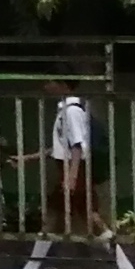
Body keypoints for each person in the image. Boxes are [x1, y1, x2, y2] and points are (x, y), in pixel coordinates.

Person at [46, 82, 96, 230]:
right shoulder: (65, 110)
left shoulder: (72, 111)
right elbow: (61, 146)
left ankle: (42, 244)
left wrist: (72, 177)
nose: (46, 86)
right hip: (70, 169)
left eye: (50, 82)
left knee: (58, 213)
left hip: (73, 169)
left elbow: (77, 145)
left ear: (63, 85)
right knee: (61, 214)